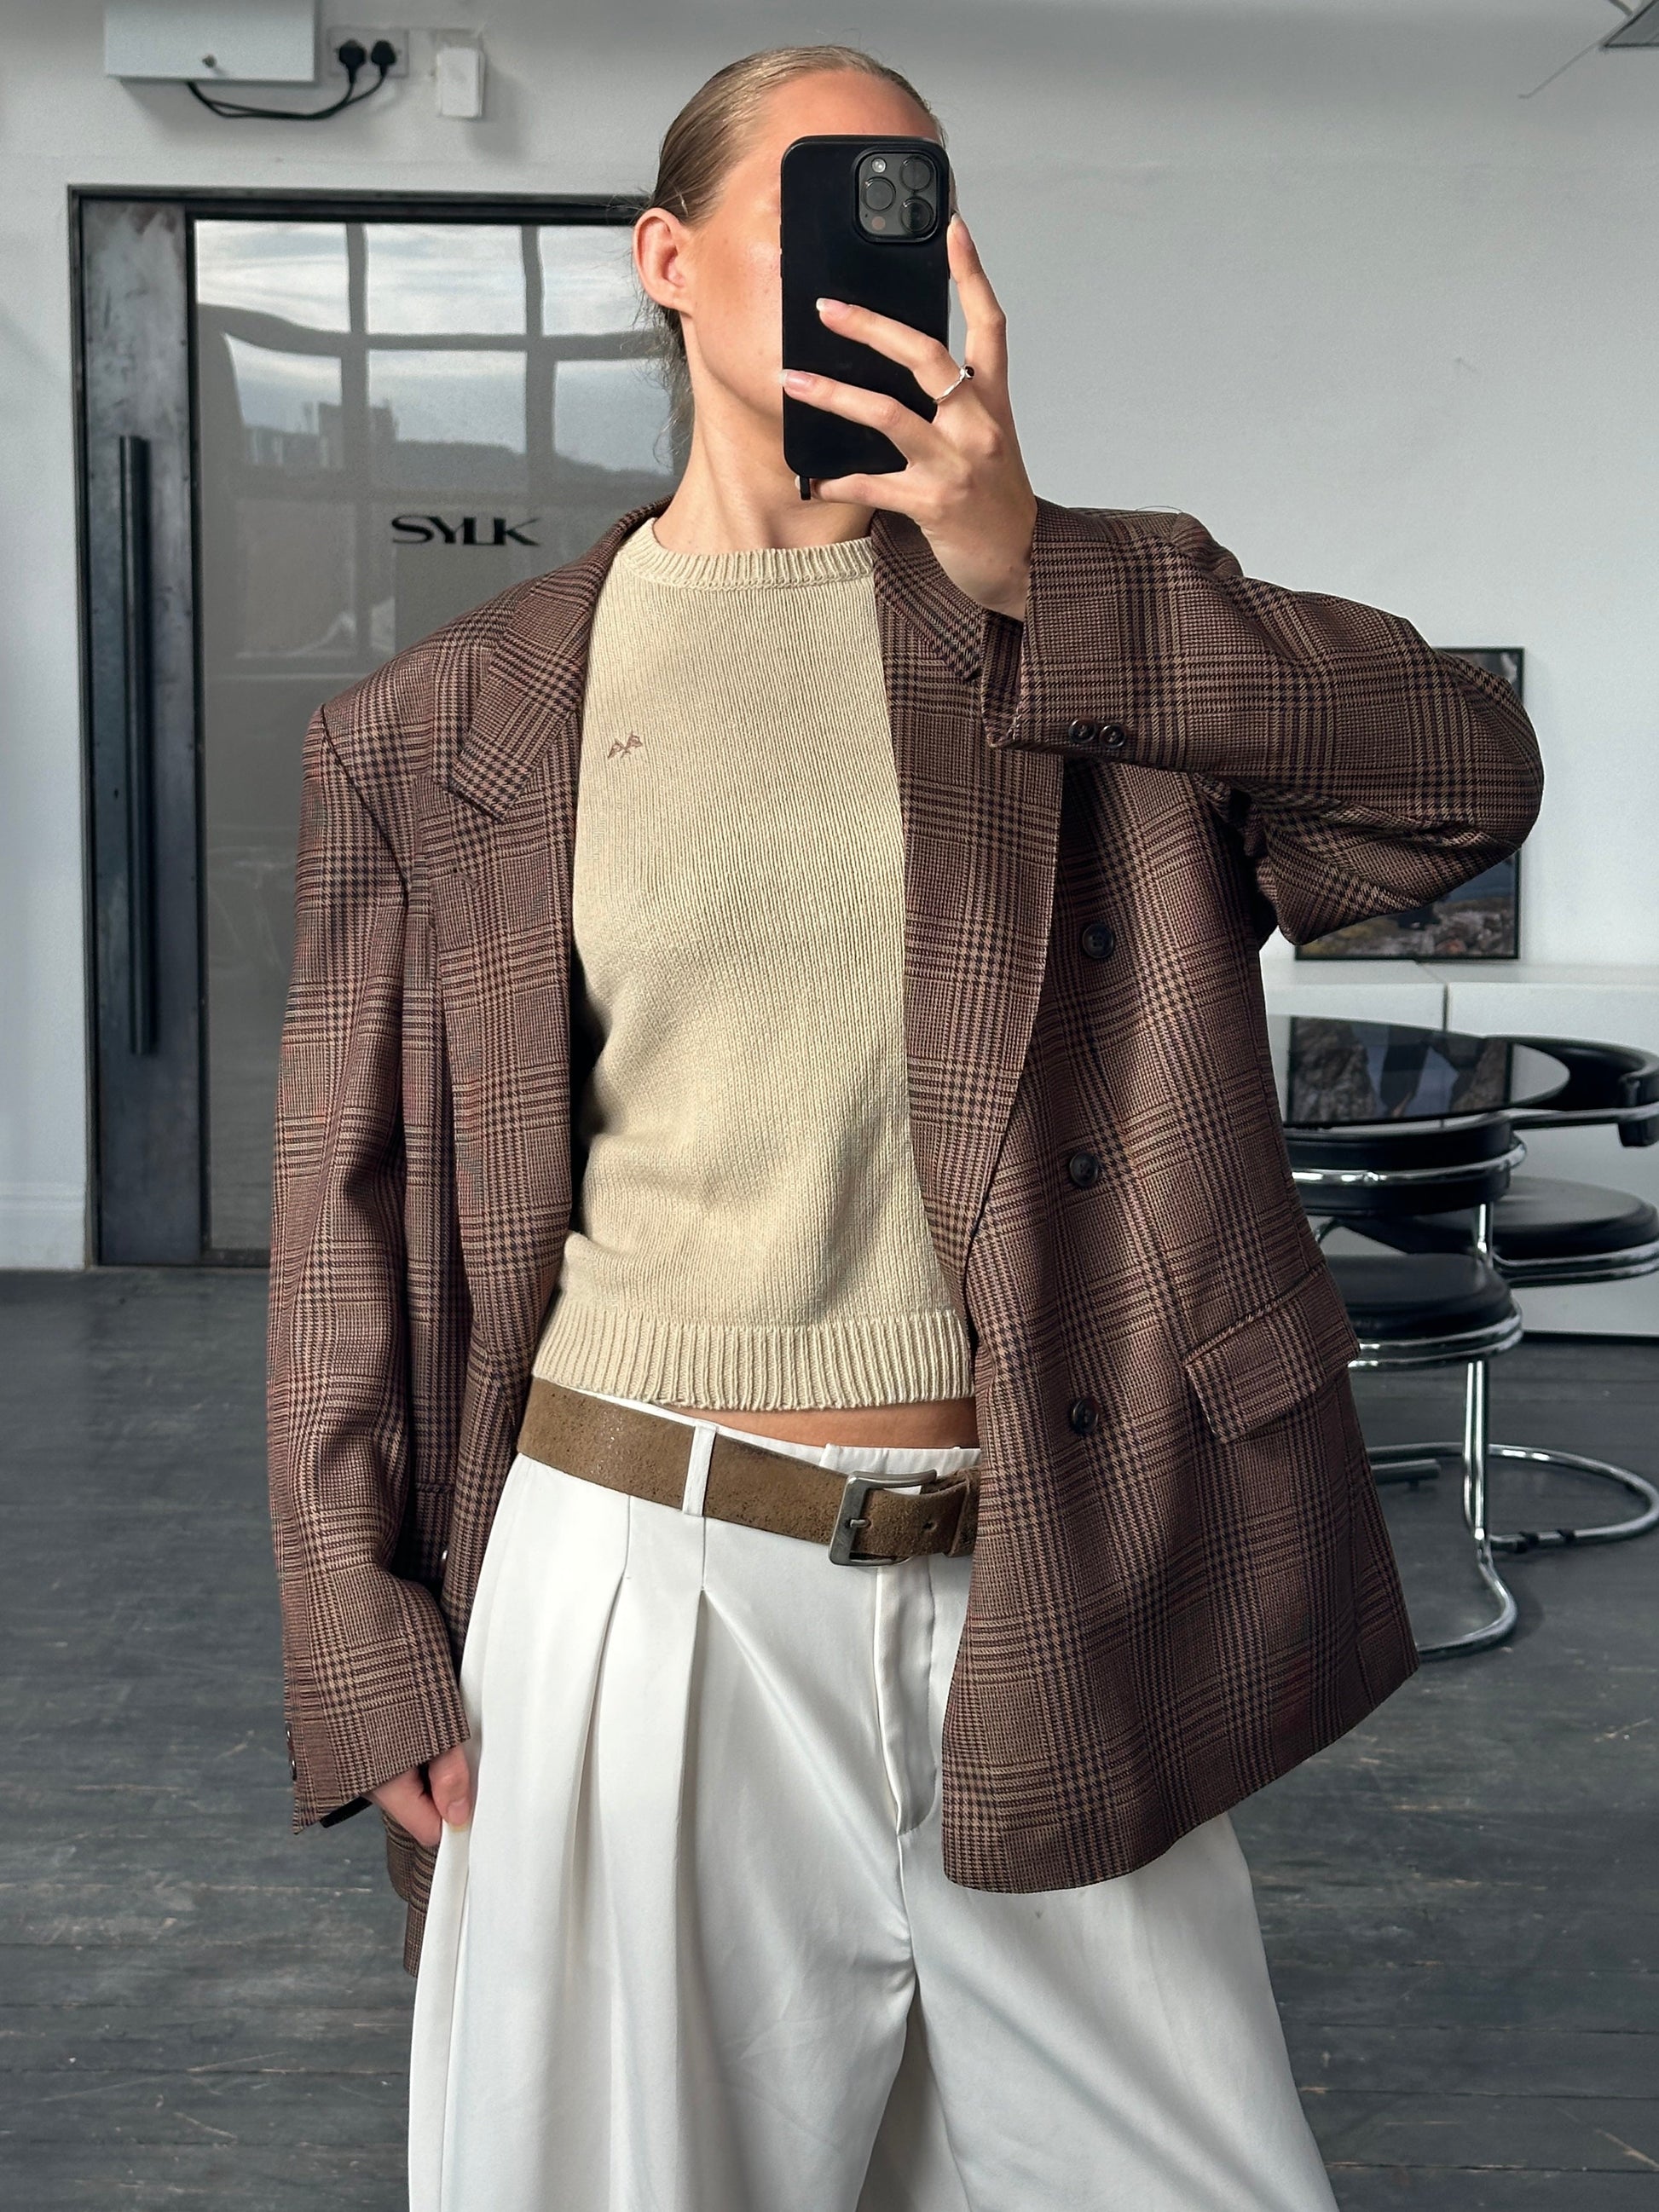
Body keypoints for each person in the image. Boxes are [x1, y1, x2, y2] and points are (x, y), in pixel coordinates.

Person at [265, 42, 1544, 2212]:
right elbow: (347, 1223)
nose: (886, 253)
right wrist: (356, 1625)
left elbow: (1462, 777)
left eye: (922, 203)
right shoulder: (450, 722)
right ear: (667, 261)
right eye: (821, 202)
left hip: (1053, 1567)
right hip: (642, 1587)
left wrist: (1029, 556)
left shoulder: (1082, 622)